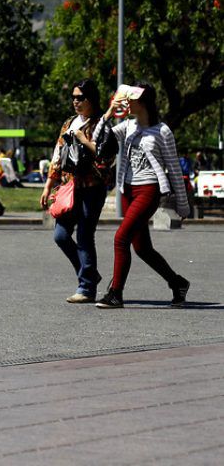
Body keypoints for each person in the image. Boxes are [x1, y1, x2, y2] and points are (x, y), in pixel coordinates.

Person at [92, 82, 191, 309]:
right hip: (127, 190)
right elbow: (98, 138)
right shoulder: (127, 126)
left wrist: (182, 206)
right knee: (142, 248)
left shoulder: (162, 131)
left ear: (143, 102)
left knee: (120, 238)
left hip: (148, 190)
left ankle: (115, 293)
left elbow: (174, 168)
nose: (127, 103)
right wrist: (108, 113)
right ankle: (178, 283)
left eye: (131, 99)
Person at [39, 80, 110, 303]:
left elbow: (106, 157)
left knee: (85, 236)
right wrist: (48, 184)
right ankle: (89, 274)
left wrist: (83, 139)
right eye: (73, 97)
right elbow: (57, 154)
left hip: (92, 188)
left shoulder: (100, 124)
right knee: (60, 235)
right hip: (69, 188)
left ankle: (87, 288)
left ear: (91, 99)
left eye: (80, 98)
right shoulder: (69, 123)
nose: (75, 101)